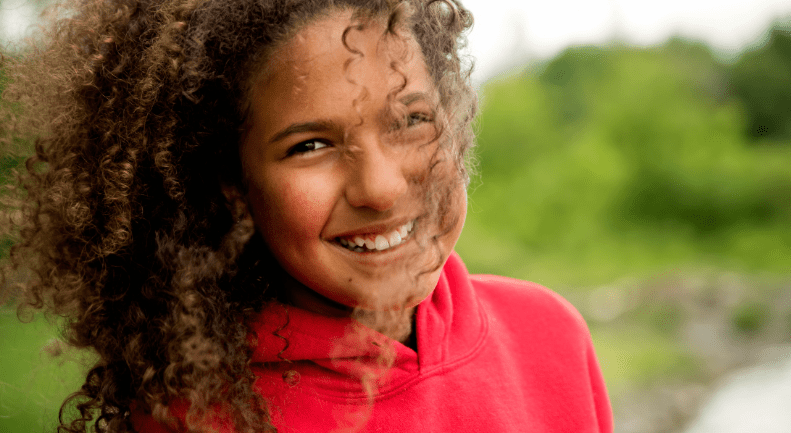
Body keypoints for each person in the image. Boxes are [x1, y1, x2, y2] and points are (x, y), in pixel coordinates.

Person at [0, 0, 613, 431]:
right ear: (231, 186)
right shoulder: (198, 417)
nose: (379, 186)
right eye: (310, 145)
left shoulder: (549, 334)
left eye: (412, 120)